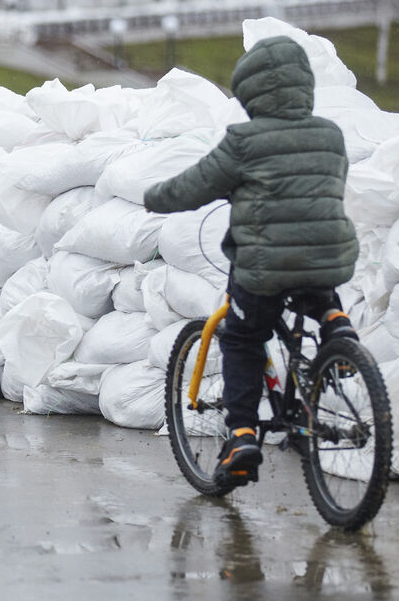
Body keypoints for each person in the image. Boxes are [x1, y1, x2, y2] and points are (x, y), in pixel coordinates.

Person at [143, 35, 359, 489]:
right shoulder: (330, 134)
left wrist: (155, 198)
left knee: (241, 337)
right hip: (329, 256)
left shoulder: (243, 141)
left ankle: (241, 434)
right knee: (312, 270)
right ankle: (336, 322)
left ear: (250, 93)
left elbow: (196, 184)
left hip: (263, 270)